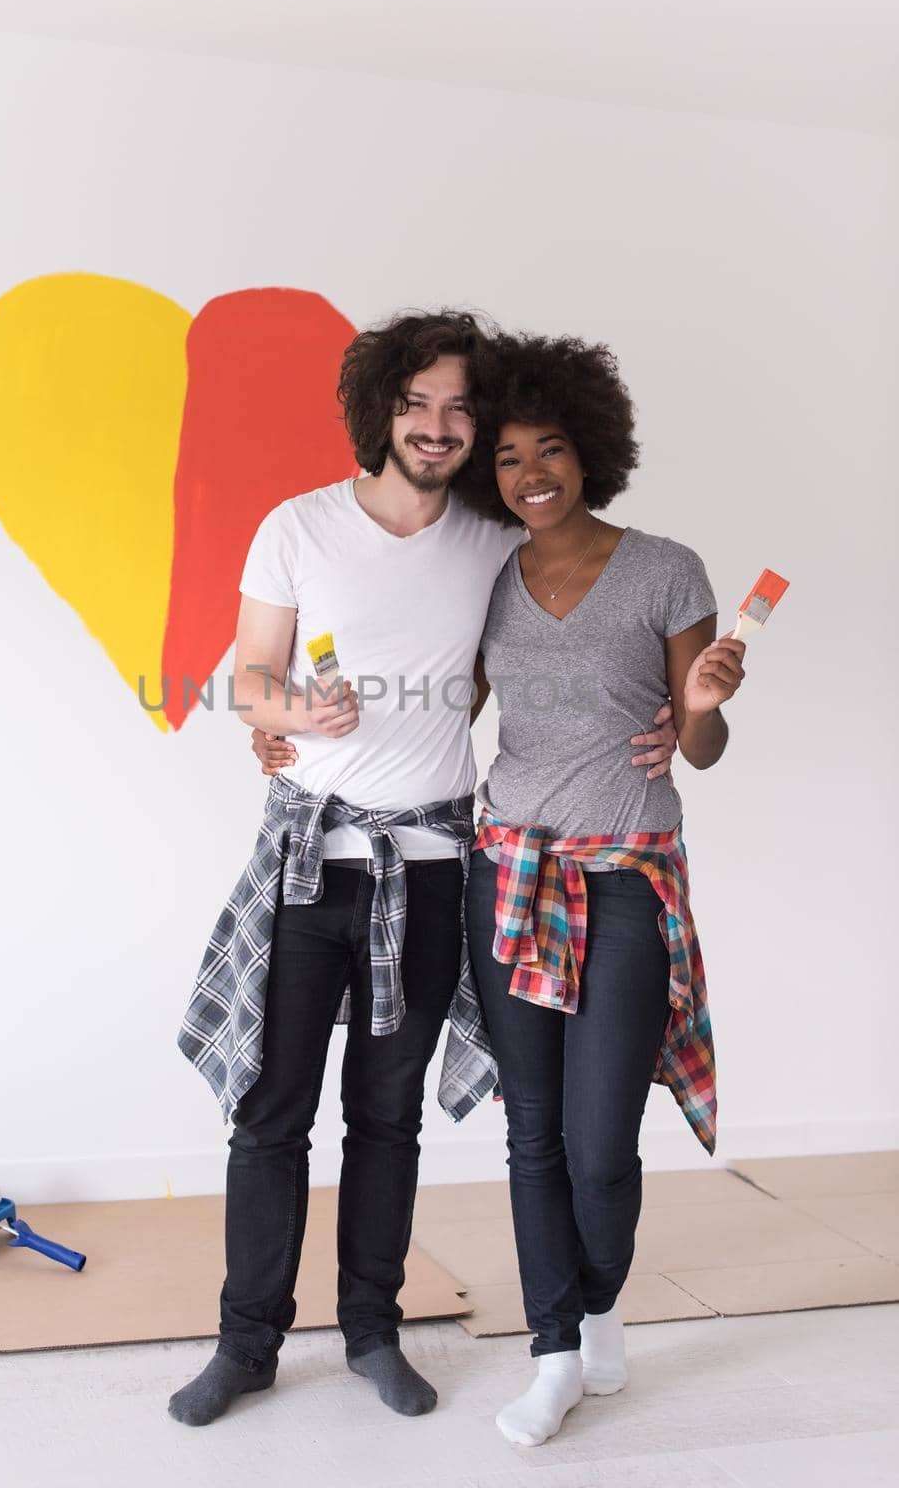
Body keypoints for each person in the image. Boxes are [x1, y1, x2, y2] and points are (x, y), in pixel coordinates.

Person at [169, 312, 678, 1428]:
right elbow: (247, 677)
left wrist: (668, 713)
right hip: (310, 863)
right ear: (380, 413)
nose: (439, 426)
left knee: (386, 1117)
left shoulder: (495, 536)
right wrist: (290, 712)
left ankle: (372, 1333)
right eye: (417, 404)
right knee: (267, 1112)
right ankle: (246, 1344)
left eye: (460, 408)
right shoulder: (296, 528)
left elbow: (560, 632)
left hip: (442, 866)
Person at [451, 332, 747, 1446]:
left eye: (553, 447)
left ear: (592, 450)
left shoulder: (667, 568)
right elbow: (450, 713)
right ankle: (558, 1351)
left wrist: (707, 700)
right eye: (512, 454)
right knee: (533, 1131)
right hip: (509, 869)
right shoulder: (485, 579)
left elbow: (700, 749)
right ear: (490, 468)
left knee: (599, 1137)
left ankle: (597, 1301)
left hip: (625, 876)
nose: (533, 471)